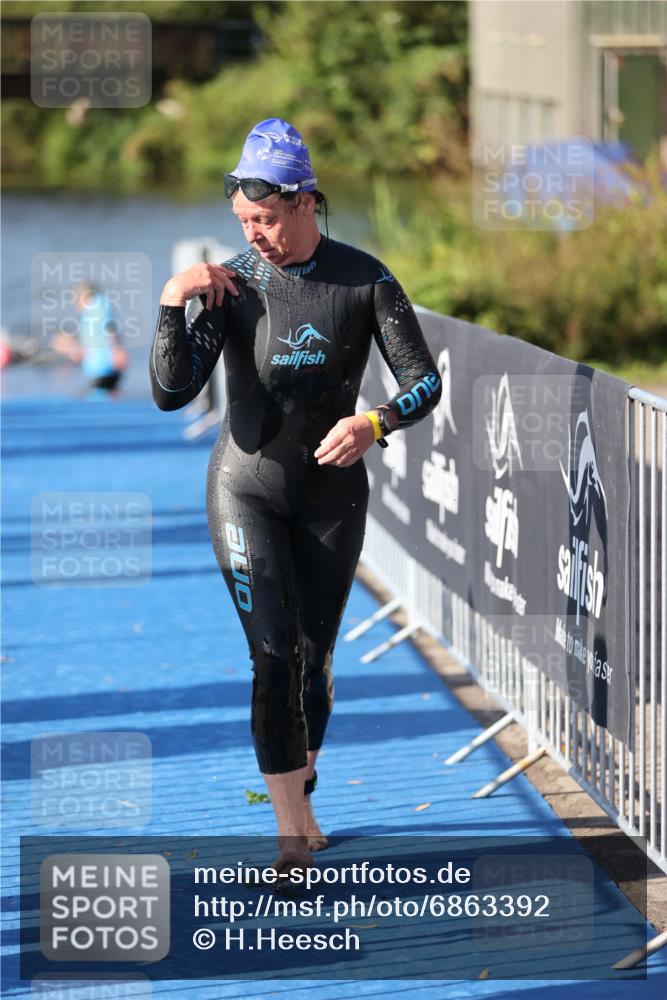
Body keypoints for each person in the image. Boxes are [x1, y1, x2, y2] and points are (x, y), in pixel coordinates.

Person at [149, 118, 442, 878]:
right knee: (272, 659)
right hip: (243, 488)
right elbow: (170, 393)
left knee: (312, 660)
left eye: (267, 220)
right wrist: (170, 305)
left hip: (330, 498)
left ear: (305, 201)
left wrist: (373, 422)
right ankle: (289, 837)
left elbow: (425, 382)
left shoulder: (364, 279)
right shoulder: (235, 286)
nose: (256, 235)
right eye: (244, 222)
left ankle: (300, 788)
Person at [51, 281, 127, 396]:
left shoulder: (97, 306)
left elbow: (109, 328)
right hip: (101, 369)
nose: (74, 303)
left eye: (75, 299)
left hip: (104, 368)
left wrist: (118, 350)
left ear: (84, 296)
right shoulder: (91, 311)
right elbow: (93, 340)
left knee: (98, 400)